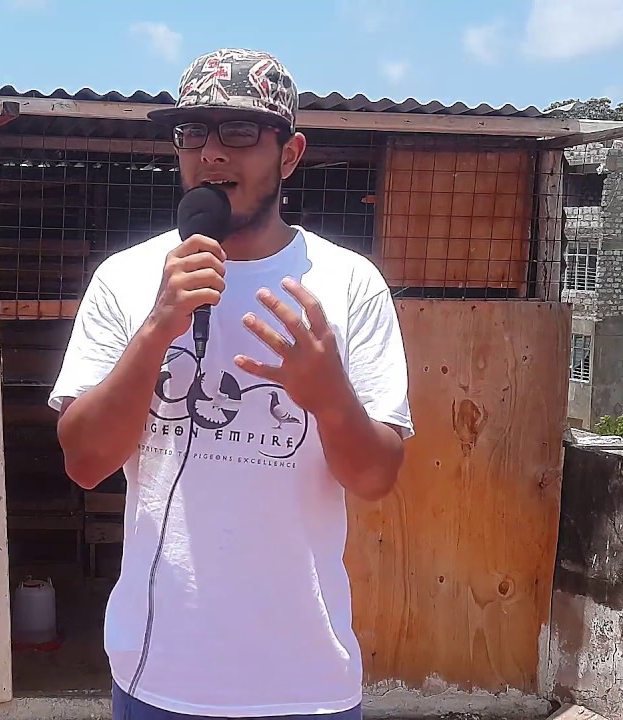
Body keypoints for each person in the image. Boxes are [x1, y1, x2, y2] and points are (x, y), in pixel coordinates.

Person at [48, 48, 414, 720]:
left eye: (240, 133)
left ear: (290, 153)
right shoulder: (128, 281)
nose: (212, 154)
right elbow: (85, 462)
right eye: (194, 134)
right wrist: (158, 326)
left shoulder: (348, 285)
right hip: (158, 678)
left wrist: (330, 397)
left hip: (306, 686)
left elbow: (376, 478)